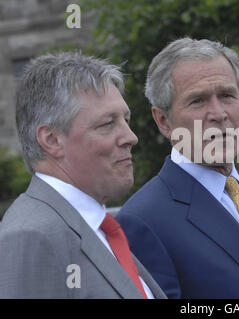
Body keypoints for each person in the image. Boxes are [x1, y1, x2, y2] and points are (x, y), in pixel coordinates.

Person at [116, 37, 239, 299]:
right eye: (197, 101)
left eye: (227, 95)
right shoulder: (143, 220)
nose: (218, 113)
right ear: (163, 121)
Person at [0, 52, 166, 299]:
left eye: (126, 120)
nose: (131, 137)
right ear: (52, 140)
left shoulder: (96, 226)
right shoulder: (30, 236)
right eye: (107, 124)